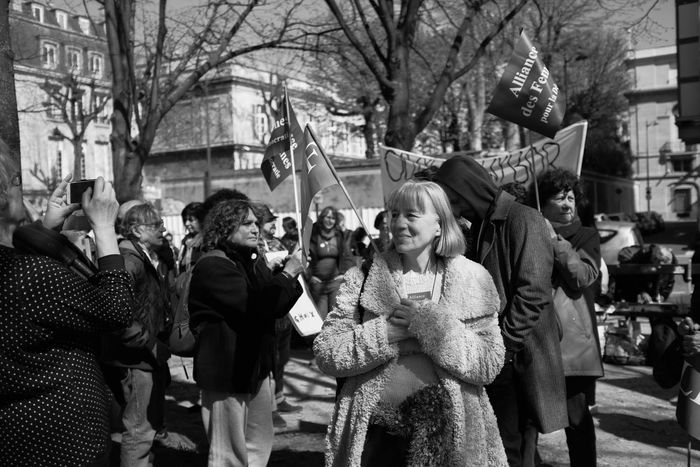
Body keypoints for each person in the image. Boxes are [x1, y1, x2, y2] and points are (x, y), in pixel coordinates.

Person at [314, 180, 507, 466]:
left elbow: (489, 363)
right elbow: (328, 353)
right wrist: (385, 333)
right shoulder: (363, 277)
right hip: (377, 436)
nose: (399, 223)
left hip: (452, 435)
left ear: (439, 224)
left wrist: (430, 325)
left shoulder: (474, 278)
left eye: (411, 215)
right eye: (394, 214)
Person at [434, 156, 567, 467]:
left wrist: (502, 347)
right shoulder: (479, 225)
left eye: (453, 198)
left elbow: (533, 294)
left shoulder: (524, 219)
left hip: (519, 355)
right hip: (494, 355)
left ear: (470, 190)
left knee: (515, 446)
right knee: (500, 446)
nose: (452, 207)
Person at [0, 164, 135, 466]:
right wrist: (103, 227)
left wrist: (47, 231)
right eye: (15, 181)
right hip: (63, 440)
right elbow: (117, 309)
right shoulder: (30, 275)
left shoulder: (18, 271)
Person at [188, 199, 303, 467]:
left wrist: (284, 276)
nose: (256, 229)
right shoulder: (213, 266)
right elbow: (257, 307)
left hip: (255, 368)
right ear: (226, 228)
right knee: (228, 453)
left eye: (256, 223)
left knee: (258, 444)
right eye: (247, 223)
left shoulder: (251, 260)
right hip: (226, 373)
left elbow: (273, 306)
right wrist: (287, 275)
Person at [529, 168, 603, 467]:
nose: (567, 204)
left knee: (578, 420)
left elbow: (581, 276)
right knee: (527, 420)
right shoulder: (528, 231)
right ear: (542, 204)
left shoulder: (586, 235)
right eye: (559, 198)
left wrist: (554, 240)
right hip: (535, 337)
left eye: (571, 197)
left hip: (572, 345)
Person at [102, 203, 173, 467]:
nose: (163, 229)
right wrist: (150, 344)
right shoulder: (130, 260)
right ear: (137, 230)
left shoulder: (142, 255)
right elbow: (116, 313)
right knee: (139, 431)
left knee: (144, 427)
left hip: (141, 355)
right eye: (156, 224)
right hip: (136, 358)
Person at [254, 203, 302, 428]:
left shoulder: (277, 243)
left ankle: (280, 397)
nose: (274, 224)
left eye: (274, 221)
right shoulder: (255, 247)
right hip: (268, 309)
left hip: (284, 311)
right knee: (269, 359)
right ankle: (270, 407)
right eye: (270, 221)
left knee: (282, 358)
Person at [307, 206, 354, 319]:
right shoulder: (313, 235)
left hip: (335, 283)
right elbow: (305, 258)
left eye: (333, 218)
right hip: (318, 284)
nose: (330, 220)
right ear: (322, 218)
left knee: (335, 318)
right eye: (327, 217)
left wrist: (343, 274)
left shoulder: (338, 236)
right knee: (321, 319)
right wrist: (309, 276)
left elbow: (347, 257)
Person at [178, 201, 206, 273]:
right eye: (185, 220)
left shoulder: (207, 242)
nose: (187, 224)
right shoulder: (185, 242)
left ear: (202, 220)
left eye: (191, 220)